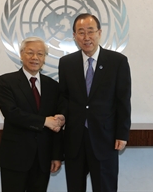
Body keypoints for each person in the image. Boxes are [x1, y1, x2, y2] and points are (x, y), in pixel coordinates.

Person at [58, 13, 131, 192]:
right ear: (74, 36)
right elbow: (64, 98)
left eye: (90, 31)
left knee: (105, 187)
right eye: (81, 32)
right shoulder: (66, 63)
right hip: (75, 139)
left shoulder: (117, 62)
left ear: (99, 32)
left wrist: (122, 134)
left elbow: (123, 100)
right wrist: (60, 117)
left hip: (105, 139)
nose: (86, 37)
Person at [0, 36, 65, 192]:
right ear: (21, 54)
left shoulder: (52, 86)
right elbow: (11, 113)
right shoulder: (6, 82)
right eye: (30, 53)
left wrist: (56, 155)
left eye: (40, 54)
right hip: (15, 157)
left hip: (43, 158)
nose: (35, 57)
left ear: (44, 58)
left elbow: (56, 122)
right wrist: (43, 121)